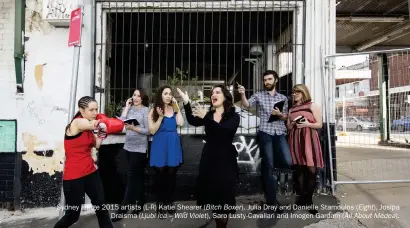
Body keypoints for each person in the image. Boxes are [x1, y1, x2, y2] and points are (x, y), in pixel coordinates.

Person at [177, 85, 240, 228]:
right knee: (214, 196)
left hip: (226, 160)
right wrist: (187, 103)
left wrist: (206, 117)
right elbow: (192, 121)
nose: (213, 95)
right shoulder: (209, 115)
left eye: (217, 92)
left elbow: (224, 131)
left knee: (225, 196)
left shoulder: (233, 116)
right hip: (209, 159)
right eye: (212, 93)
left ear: (225, 96)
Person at [54, 96, 114, 228]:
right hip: (74, 177)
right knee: (73, 215)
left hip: (91, 173)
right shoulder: (77, 123)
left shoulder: (89, 129)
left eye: (96, 109)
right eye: (91, 110)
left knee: (101, 208)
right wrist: (103, 123)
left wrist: (101, 136)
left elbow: (96, 145)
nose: (95, 112)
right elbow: (91, 124)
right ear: (82, 110)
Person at [238, 70, 292, 213]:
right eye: (265, 80)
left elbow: (286, 116)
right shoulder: (259, 95)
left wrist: (279, 114)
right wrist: (242, 93)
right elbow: (246, 105)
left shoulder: (283, 98)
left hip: (280, 132)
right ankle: (272, 201)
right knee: (269, 167)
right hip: (266, 133)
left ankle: (274, 169)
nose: (267, 82)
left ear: (276, 80)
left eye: (269, 79)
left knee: (288, 161)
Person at [111, 89, 150, 222]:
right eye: (134, 95)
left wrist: (134, 128)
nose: (136, 98)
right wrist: (126, 108)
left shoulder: (146, 110)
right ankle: (140, 203)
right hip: (128, 147)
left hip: (139, 149)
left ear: (143, 98)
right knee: (137, 177)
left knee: (131, 177)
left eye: (139, 96)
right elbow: (120, 124)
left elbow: (148, 130)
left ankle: (123, 208)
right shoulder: (129, 108)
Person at [287, 84, 323, 215]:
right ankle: (302, 198)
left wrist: (307, 123)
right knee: (300, 169)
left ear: (304, 93)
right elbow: (289, 128)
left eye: (297, 92)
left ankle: (309, 200)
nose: (294, 95)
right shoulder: (291, 109)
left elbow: (319, 124)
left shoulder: (312, 106)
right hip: (295, 139)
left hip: (309, 138)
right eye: (293, 93)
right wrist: (291, 124)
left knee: (311, 169)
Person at [148, 85, 184, 216]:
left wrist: (177, 107)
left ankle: (169, 202)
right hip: (160, 144)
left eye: (170, 93)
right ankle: (160, 203)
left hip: (173, 143)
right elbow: (152, 130)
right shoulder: (154, 110)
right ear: (160, 95)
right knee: (160, 176)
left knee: (171, 176)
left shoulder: (174, 109)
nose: (168, 96)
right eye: (166, 93)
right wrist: (161, 117)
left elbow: (180, 123)